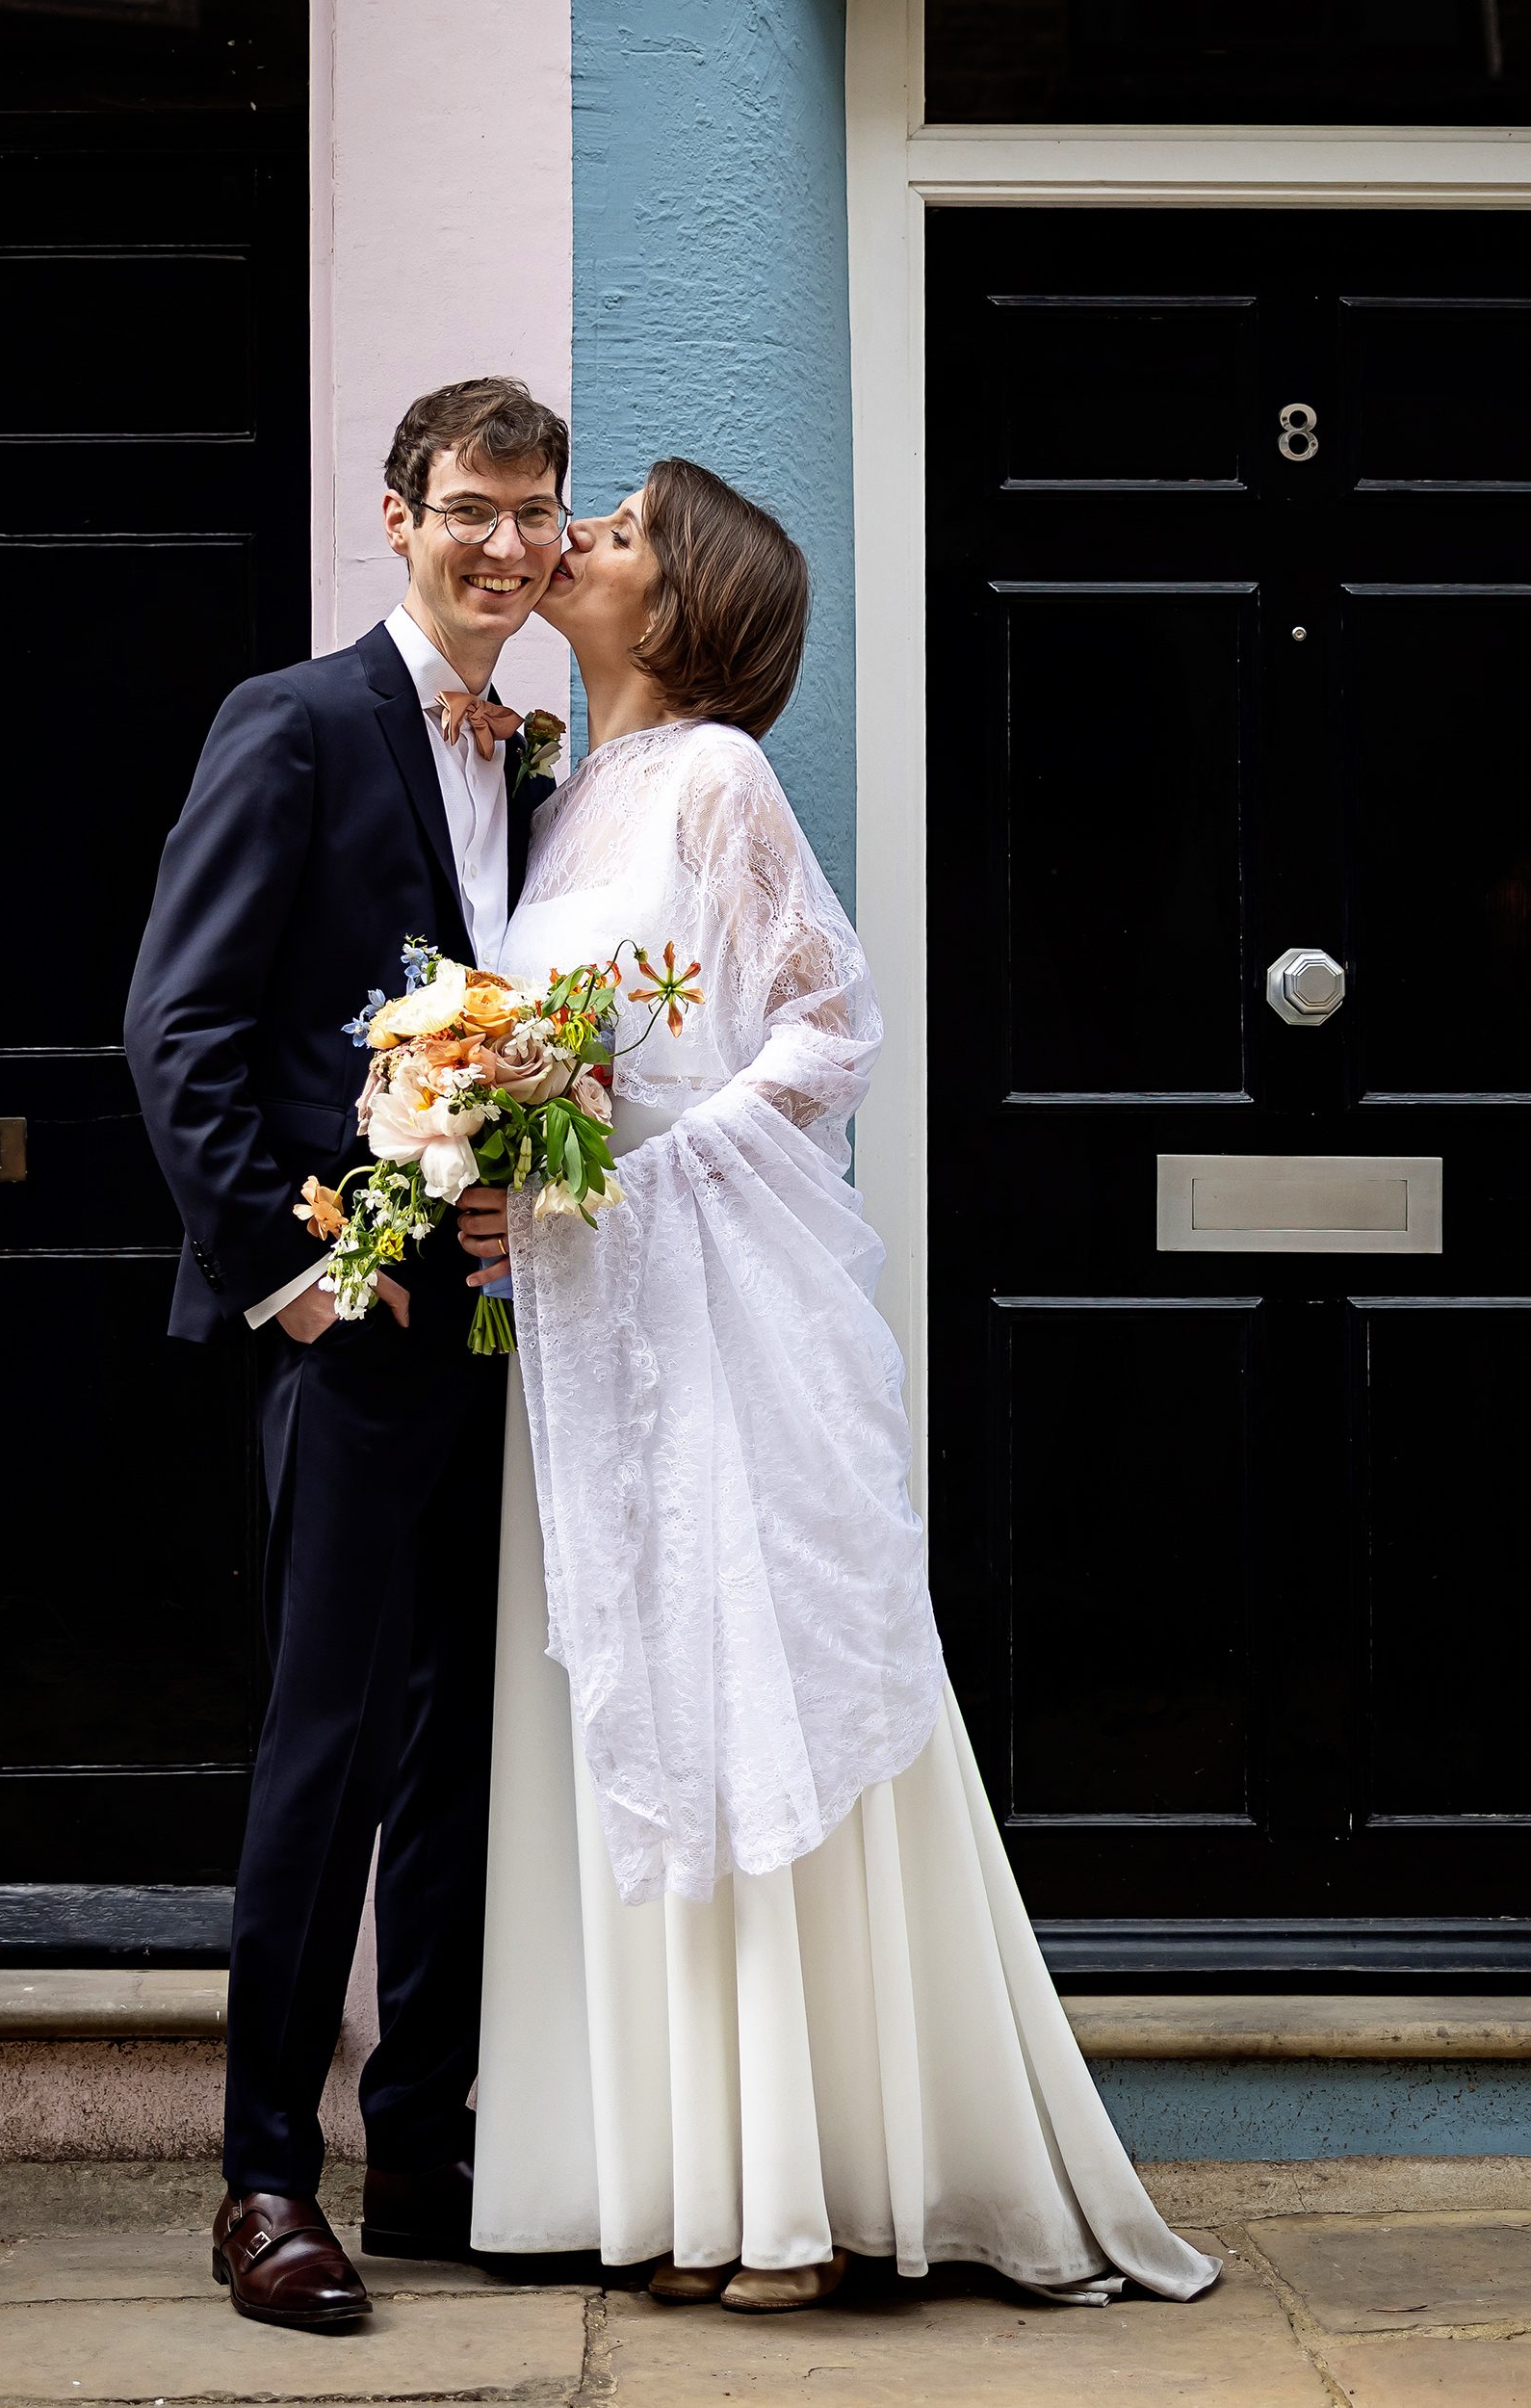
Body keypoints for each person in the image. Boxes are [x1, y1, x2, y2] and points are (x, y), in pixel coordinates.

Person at [454, 459, 1221, 2315]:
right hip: (579, 1331)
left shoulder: (713, 774)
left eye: (617, 532)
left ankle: (792, 2194)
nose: (577, 546)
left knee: (742, 1687)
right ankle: (662, 2176)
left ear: (683, 601)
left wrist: (628, 1182)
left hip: (700, 1312)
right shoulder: (558, 799)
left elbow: (828, 1030)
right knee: (624, 1702)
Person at [124, 377, 569, 2329]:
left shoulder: (540, 765)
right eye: (469, 506)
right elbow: (182, 1026)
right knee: (321, 1751)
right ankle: (262, 2177)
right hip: (346, 1332)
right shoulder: (295, 724)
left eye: (533, 513)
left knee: (460, 1753)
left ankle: (432, 2147)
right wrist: (290, 1281)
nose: (503, 545)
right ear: (398, 517)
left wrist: (528, 1187)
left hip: (498, 1337)